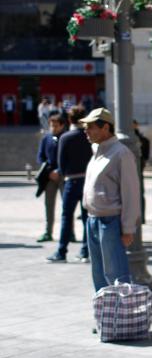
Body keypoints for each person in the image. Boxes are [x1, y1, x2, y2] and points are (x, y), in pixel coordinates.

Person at [79, 108, 141, 292]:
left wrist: (128, 229)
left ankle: (122, 318)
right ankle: (105, 318)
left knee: (116, 277)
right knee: (99, 276)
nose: (86, 131)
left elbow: (131, 193)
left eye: (90, 127)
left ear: (105, 127)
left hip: (110, 222)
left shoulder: (121, 154)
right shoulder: (97, 150)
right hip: (92, 220)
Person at [48, 105, 91, 263]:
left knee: (67, 216)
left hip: (71, 180)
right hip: (87, 180)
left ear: (69, 120)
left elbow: (62, 164)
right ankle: (85, 251)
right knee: (87, 217)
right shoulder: (88, 135)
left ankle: (62, 251)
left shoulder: (66, 137)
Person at [36, 110, 65, 242]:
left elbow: (69, 158)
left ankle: (69, 232)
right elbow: (41, 157)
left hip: (63, 176)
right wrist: (49, 172)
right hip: (49, 177)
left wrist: (59, 171)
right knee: (49, 205)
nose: (53, 128)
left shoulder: (66, 138)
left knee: (67, 206)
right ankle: (48, 232)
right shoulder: (46, 139)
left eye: (56, 125)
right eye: (51, 125)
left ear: (62, 125)